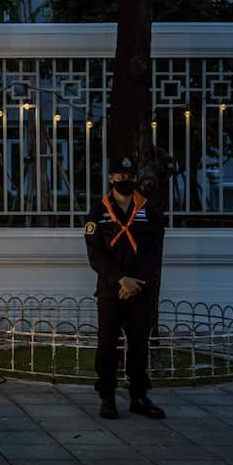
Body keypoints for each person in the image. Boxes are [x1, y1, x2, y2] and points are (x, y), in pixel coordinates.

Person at [84, 156, 166, 421]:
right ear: (111, 179)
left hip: (140, 289)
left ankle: (139, 397)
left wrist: (135, 282)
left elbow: (154, 251)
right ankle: (107, 397)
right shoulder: (99, 212)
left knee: (139, 344)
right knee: (107, 344)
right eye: (120, 176)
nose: (125, 181)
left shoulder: (148, 211)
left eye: (129, 176)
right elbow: (95, 254)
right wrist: (121, 279)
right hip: (111, 289)